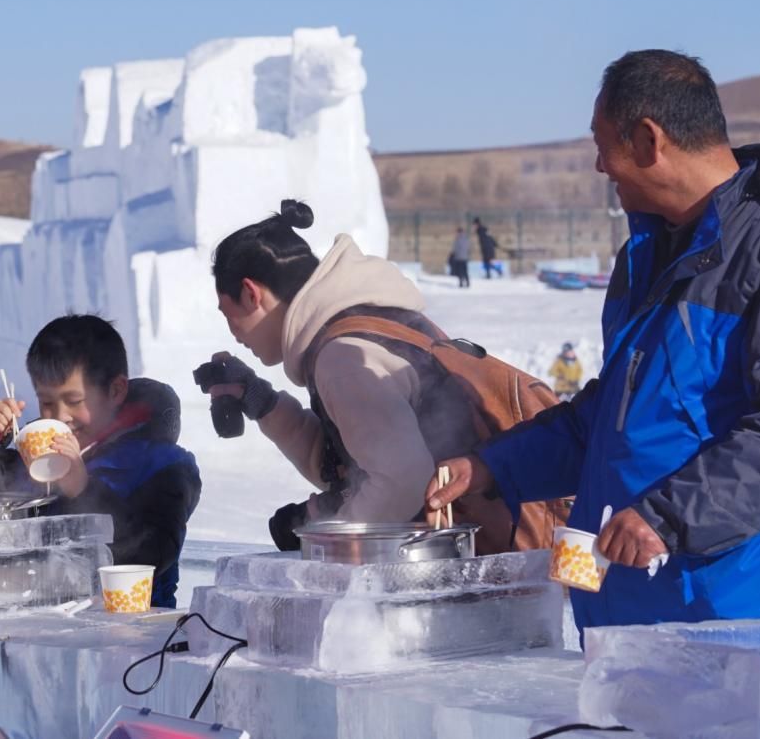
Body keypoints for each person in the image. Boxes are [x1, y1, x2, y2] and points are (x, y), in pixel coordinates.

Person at [427, 50, 760, 631]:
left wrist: (668, 516)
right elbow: (614, 417)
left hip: (734, 618)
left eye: (602, 144)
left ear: (649, 140)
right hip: (627, 609)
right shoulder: (650, 250)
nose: (601, 167)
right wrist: (491, 467)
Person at [197, 200, 561, 552]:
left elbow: (400, 483)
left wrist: (322, 534)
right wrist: (263, 403)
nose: (235, 335)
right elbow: (360, 462)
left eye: (230, 316)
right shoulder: (373, 321)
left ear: (250, 293)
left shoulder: (344, 357)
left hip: (468, 566)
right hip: (480, 550)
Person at [0, 315, 200, 608]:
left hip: (131, 638)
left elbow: (151, 552)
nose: (59, 416)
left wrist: (83, 490)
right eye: (47, 402)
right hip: (34, 624)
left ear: (115, 391)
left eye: (74, 401)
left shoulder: (161, 466)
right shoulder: (38, 458)